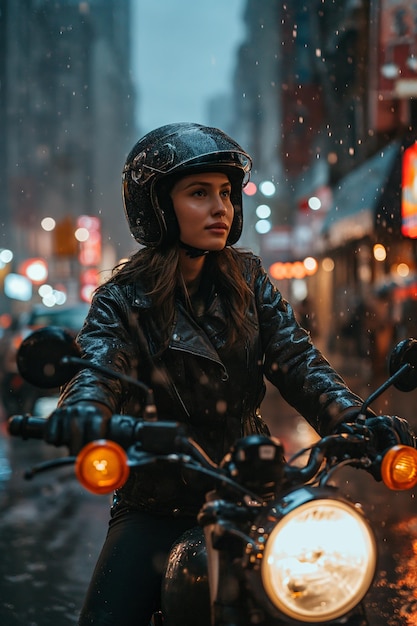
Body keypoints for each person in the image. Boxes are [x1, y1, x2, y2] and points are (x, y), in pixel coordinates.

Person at [44, 122, 416, 626]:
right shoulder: (123, 298)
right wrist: (87, 411)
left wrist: (354, 418)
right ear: (156, 207)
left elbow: (299, 363)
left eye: (224, 192)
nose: (220, 206)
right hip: (158, 503)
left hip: (251, 490)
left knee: (339, 603)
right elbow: (98, 367)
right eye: (199, 193)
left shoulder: (249, 281)